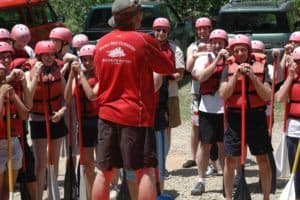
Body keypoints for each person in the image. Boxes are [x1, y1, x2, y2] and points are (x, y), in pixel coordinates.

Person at [92, 0, 175, 199]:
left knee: (104, 171)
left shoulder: (100, 44)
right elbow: (168, 67)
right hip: (134, 116)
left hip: (106, 115)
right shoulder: (143, 41)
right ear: (136, 17)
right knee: (144, 169)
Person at [219, 34, 272, 200]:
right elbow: (224, 94)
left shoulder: (261, 67)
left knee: (263, 159)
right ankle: (228, 197)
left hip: (256, 118)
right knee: (229, 160)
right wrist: (236, 77)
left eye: (243, 50)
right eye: (237, 51)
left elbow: (267, 95)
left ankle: (266, 197)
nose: (240, 53)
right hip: (235, 119)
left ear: (249, 51)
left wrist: (253, 77)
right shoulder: (228, 68)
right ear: (233, 53)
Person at [25, 40, 67, 200]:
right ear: (39, 56)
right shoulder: (30, 73)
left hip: (55, 120)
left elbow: (65, 97)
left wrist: (62, 111)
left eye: (51, 55)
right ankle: (38, 197)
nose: (49, 58)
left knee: (54, 161)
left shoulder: (58, 73)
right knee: (41, 163)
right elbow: (28, 95)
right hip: (38, 121)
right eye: (45, 55)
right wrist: (36, 75)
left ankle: (52, 195)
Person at [191, 29, 228, 195]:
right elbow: (201, 77)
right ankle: (201, 180)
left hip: (226, 110)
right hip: (207, 109)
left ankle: (227, 179)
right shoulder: (203, 59)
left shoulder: (232, 60)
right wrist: (217, 60)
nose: (217, 44)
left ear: (225, 44)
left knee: (223, 146)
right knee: (205, 145)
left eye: (220, 42)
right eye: (214, 41)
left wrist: (225, 60)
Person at [64, 44, 98, 196]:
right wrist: (71, 76)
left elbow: (92, 95)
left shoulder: (101, 75)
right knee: (88, 164)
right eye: (84, 60)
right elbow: (67, 97)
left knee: (105, 163)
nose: (87, 63)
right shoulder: (77, 78)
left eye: (90, 59)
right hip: (84, 124)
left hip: (100, 122)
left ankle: (106, 190)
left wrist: (82, 76)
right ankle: (90, 195)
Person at [183, 17, 212, 169]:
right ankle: (193, 157)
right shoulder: (192, 47)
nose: (202, 31)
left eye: (205, 28)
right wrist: (196, 54)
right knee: (196, 126)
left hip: (213, 91)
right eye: (199, 29)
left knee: (213, 125)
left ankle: (212, 160)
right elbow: (188, 68)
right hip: (197, 91)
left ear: (210, 29)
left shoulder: (216, 43)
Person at [0, 63, 29, 199]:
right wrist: (1, 95)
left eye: (3, 76)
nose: (1, 80)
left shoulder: (11, 92)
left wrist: (14, 96)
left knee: (8, 189)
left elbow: (25, 115)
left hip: (13, 142)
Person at [276, 46, 300, 199]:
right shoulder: (291, 79)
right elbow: (279, 98)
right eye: (297, 62)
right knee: (295, 167)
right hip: (293, 128)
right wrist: (290, 78)